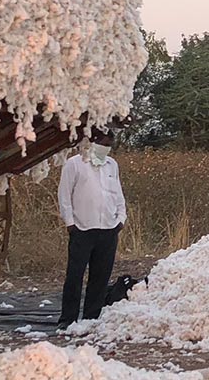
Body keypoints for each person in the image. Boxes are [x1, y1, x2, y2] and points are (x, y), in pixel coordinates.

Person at [57, 129, 126, 329]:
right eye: (102, 143)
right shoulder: (75, 164)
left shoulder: (112, 165)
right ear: (92, 141)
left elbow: (117, 194)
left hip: (108, 228)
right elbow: (64, 195)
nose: (105, 148)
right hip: (82, 228)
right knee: (75, 276)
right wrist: (70, 223)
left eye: (109, 145)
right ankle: (67, 319)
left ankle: (91, 318)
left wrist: (121, 218)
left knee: (101, 276)